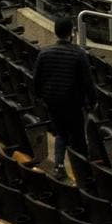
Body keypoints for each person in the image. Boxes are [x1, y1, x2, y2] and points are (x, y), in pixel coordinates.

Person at [33, 16, 94, 171]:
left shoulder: (44, 53)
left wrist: (42, 98)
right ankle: (83, 170)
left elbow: (37, 80)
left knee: (61, 134)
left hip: (53, 102)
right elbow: (87, 82)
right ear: (72, 32)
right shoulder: (79, 54)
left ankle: (58, 165)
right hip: (73, 103)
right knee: (78, 137)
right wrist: (92, 102)